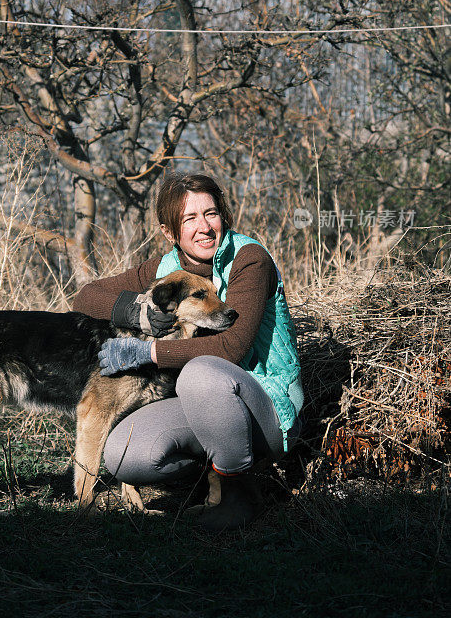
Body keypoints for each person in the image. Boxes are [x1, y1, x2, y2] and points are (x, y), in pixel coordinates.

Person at [72, 172, 303, 532]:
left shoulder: (250, 259)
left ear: (223, 216)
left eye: (211, 213)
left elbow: (231, 346)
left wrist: (147, 353)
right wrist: (138, 311)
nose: (205, 227)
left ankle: (240, 495)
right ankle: (211, 469)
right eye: (189, 218)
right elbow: (85, 297)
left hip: (264, 403)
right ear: (169, 231)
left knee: (202, 371)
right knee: (125, 455)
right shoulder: (167, 270)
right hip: (203, 402)